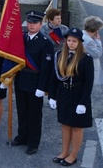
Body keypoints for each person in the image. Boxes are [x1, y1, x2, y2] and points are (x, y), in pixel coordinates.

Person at [48, 28, 95, 166]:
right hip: (64, 95)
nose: (71, 43)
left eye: (74, 41)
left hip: (78, 97)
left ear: (80, 42)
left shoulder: (86, 59)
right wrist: (52, 96)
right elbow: (54, 78)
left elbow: (88, 83)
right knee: (65, 125)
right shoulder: (60, 55)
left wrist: (83, 103)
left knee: (76, 127)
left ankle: (73, 155)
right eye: (68, 40)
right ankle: (64, 152)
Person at [12, 10, 54, 155]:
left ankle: (33, 142)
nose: (31, 25)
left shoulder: (45, 43)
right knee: (22, 111)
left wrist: (42, 87)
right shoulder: (21, 38)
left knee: (34, 114)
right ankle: (22, 136)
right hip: (21, 79)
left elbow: (46, 68)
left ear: (40, 24)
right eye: (29, 22)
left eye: (34, 23)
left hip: (35, 82)